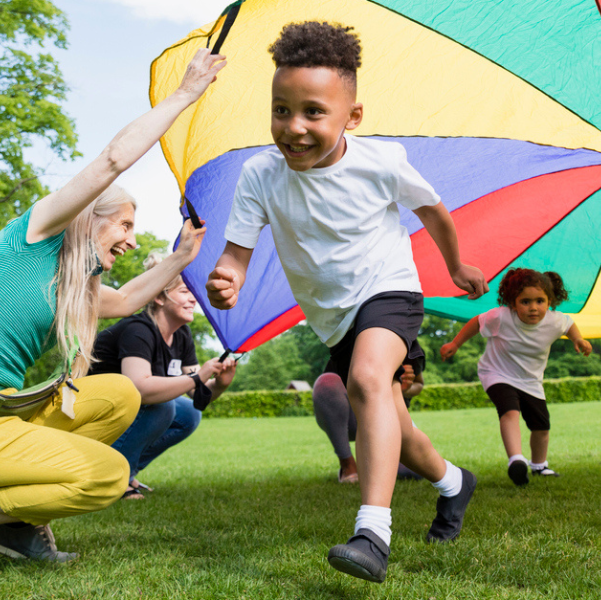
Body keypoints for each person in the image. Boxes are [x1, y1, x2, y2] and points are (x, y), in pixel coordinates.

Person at [0, 49, 226, 578]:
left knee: (117, 394)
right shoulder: (35, 236)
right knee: (107, 475)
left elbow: (130, 300)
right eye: (125, 226)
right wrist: (185, 95)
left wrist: (182, 257)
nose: (133, 242)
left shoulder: (71, 285)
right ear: (90, 218)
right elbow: (113, 159)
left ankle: (12, 526)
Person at [205, 22, 487, 583]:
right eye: (281, 110)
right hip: (333, 317)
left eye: (313, 112)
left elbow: (433, 210)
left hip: (389, 290)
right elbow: (236, 254)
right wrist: (225, 277)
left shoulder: (379, 162)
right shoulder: (260, 174)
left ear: (351, 117)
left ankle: (372, 534)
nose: (294, 127)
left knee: (365, 381)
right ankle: (454, 484)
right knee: (395, 428)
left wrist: (455, 265)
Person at [90, 252, 238, 499]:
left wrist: (219, 384)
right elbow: (140, 388)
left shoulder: (182, 335)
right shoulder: (138, 330)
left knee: (189, 413)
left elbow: (196, 395)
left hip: (125, 408)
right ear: (159, 296)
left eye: (194, 293)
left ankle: (125, 471)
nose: (194, 300)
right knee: (163, 406)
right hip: (91, 407)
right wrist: (198, 377)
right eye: (185, 292)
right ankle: (111, 478)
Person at [439, 269, 592, 487]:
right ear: (512, 303)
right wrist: (455, 343)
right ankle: (516, 460)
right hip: (496, 373)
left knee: (541, 426)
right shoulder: (501, 316)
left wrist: (578, 339)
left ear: (550, 301)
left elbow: (568, 325)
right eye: (525, 301)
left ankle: (539, 465)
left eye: (540, 301)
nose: (533, 307)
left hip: (531, 381)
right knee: (509, 411)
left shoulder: (554, 321)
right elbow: (476, 322)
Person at [313, 364, 425, 484]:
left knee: (415, 471)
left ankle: (377, 460)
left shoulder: (410, 348)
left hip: (389, 417)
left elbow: (419, 384)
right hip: (355, 412)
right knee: (326, 382)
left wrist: (404, 387)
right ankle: (347, 464)